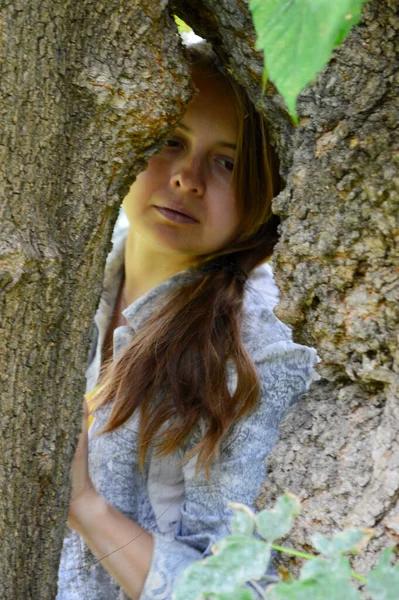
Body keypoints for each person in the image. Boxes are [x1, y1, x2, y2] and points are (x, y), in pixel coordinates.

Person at [57, 42, 317, 600]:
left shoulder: (258, 346)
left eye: (227, 161)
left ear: (269, 188)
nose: (187, 178)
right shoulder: (55, 277)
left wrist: (86, 507)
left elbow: (239, 588)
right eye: (171, 140)